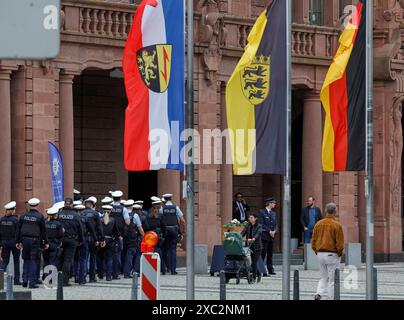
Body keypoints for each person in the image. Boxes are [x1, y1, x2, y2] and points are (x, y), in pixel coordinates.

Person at [311, 203, 344, 300]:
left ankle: (318, 293)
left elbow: (313, 241)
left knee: (323, 276)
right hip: (332, 254)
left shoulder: (318, 224)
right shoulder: (337, 225)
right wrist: (339, 253)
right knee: (332, 279)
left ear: (325, 210)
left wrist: (317, 250)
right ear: (335, 211)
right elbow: (340, 242)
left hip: (320, 253)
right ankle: (330, 298)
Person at [16, 198, 48, 288]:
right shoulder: (40, 216)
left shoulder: (23, 215)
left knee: (26, 260)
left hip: (24, 240)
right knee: (33, 260)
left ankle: (25, 280)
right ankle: (32, 283)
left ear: (29, 205)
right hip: (35, 241)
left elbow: (18, 230)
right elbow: (43, 231)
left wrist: (18, 241)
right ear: (37, 205)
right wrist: (46, 242)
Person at [58, 197, 84, 286]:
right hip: (72, 239)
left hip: (60, 240)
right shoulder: (76, 215)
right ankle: (64, 281)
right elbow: (80, 228)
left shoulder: (59, 214)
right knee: (67, 260)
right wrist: (81, 240)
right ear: (72, 204)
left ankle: (58, 279)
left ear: (64, 204)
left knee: (59, 259)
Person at [160, 194, 185, 275]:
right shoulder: (175, 208)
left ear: (164, 199)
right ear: (171, 199)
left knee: (164, 250)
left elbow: (159, 219)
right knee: (173, 250)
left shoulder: (161, 208)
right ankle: (173, 270)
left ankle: (163, 269)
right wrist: (183, 231)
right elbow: (182, 220)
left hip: (165, 231)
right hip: (174, 230)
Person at [82, 197, 105, 283]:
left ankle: (82, 277)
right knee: (93, 257)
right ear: (93, 205)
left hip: (84, 237)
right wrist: (102, 239)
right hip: (93, 238)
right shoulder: (95, 214)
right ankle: (92, 277)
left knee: (83, 258)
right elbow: (99, 227)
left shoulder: (81, 213)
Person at [0, 201, 22, 285]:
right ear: (13, 210)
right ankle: (16, 280)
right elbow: (18, 232)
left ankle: (0, 279)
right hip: (14, 242)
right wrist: (19, 242)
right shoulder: (16, 220)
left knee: (4, 261)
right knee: (16, 261)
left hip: (4, 242)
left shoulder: (1, 220)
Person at [123, 200, 144, 278]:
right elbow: (140, 228)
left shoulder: (123, 214)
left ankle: (122, 270)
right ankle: (127, 272)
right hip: (132, 238)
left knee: (124, 254)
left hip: (123, 237)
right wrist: (144, 236)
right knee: (130, 254)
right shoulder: (135, 215)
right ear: (132, 206)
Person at [144, 201, 166, 274]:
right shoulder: (160, 216)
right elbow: (164, 227)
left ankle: (151, 268)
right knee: (159, 253)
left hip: (150, 236)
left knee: (150, 252)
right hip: (157, 236)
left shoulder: (147, 215)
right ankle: (162, 269)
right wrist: (164, 236)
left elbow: (146, 227)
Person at [100, 205, 121, 281]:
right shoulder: (113, 220)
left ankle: (100, 275)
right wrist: (118, 237)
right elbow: (116, 231)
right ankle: (109, 276)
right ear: (110, 211)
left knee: (100, 258)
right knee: (109, 259)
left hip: (101, 240)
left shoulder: (99, 219)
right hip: (110, 241)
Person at [241, 212, 262, 283]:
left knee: (254, 262)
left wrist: (253, 238)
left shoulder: (259, 226)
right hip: (249, 247)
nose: (250, 219)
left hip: (257, 247)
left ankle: (254, 278)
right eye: (249, 218)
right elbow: (242, 233)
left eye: (251, 217)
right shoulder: (247, 225)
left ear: (255, 218)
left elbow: (258, 233)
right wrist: (238, 237)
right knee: (252, 263)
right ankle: (259, 274)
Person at [258, 197, 277, 276]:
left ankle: (270, 269)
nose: (275, 204)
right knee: (263, 253)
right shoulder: (262, 212)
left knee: (270, 254)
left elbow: (276, 223)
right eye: (273, 203)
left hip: (271, 236)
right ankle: (261, 269)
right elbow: (261, 224)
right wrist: (269, 231)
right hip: (265, 235)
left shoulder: (273, 213)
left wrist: (275, 231)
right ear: (269, 203)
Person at [43, 206, 64, 277]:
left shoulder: (45, 223)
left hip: (45, 244)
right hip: (54, 244)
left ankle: (45, 275)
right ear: (55, 215)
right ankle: (50, 277)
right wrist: (59, 242)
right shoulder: (58, 224)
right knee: (52, 261)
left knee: (45, 260)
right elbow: (61, 235)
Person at [110, 190, 126, 279]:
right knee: (117, 254)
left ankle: (108, 272)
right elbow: (127, 222)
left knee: (109, 254)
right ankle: (116, 273)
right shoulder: (123, 209)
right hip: (119, 234)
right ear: (120, 199)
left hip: (109, 234)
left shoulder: (109, 207)